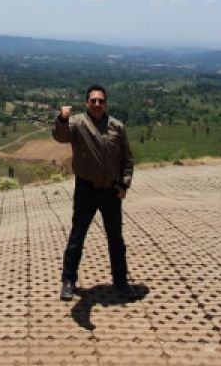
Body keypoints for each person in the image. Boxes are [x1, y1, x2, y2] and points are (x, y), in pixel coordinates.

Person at [53, 84, 136, 300]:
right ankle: (68, 281)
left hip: (111, 191)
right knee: (77, 237)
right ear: (87, 103)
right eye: (93, 100)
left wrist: (124, 185)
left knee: (116, 239)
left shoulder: (117, 126)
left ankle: (121, 282)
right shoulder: (78, 123)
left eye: (101, 100)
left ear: (105, 103)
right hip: (86, 190)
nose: (97, 104)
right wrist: (62, 118)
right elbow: (60, 136)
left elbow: (128, 159)